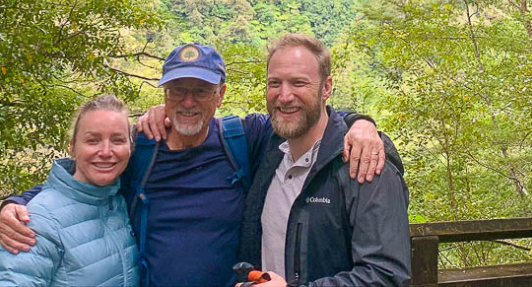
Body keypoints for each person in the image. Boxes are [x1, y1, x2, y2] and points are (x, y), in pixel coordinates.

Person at [0, 43, 392, 287]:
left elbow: (307, 117)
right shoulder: (140, 149)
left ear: (220, 94)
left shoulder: (245, 138)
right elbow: (85, 175)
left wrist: (362, 126)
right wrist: (15, 202)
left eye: (201, 90)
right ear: (165, 94)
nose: (188, 102)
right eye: (178, 91)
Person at [238, 34, 411, 286]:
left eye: (298, 82)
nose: (284, 96)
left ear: (326, 88)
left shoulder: (364, 163)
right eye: (274, 83)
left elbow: (386, 276)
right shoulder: (268, 150)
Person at [0, 95, 139, 286]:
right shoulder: (37, 220)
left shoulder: (118, 201)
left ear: (130, 148)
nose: (106, 152)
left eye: (117, 140)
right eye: (93, 141)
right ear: (73, 148)